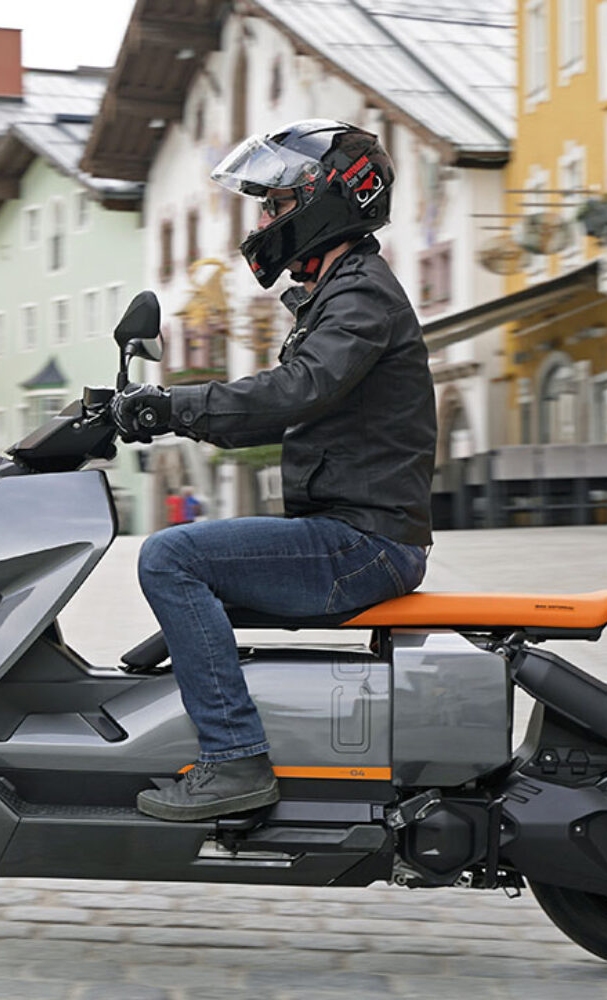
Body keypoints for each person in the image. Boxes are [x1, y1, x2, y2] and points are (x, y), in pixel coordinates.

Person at [112, 120, 435, 822]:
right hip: (355, 534)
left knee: (170, 558)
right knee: (202, 564)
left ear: (324, 202)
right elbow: (285, 400)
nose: (264, 221)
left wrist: (170, 408)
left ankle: (233, 759)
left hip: (365, 544)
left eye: (276, 205)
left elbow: (297, 391)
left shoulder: (361, 298)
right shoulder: (343, 292)